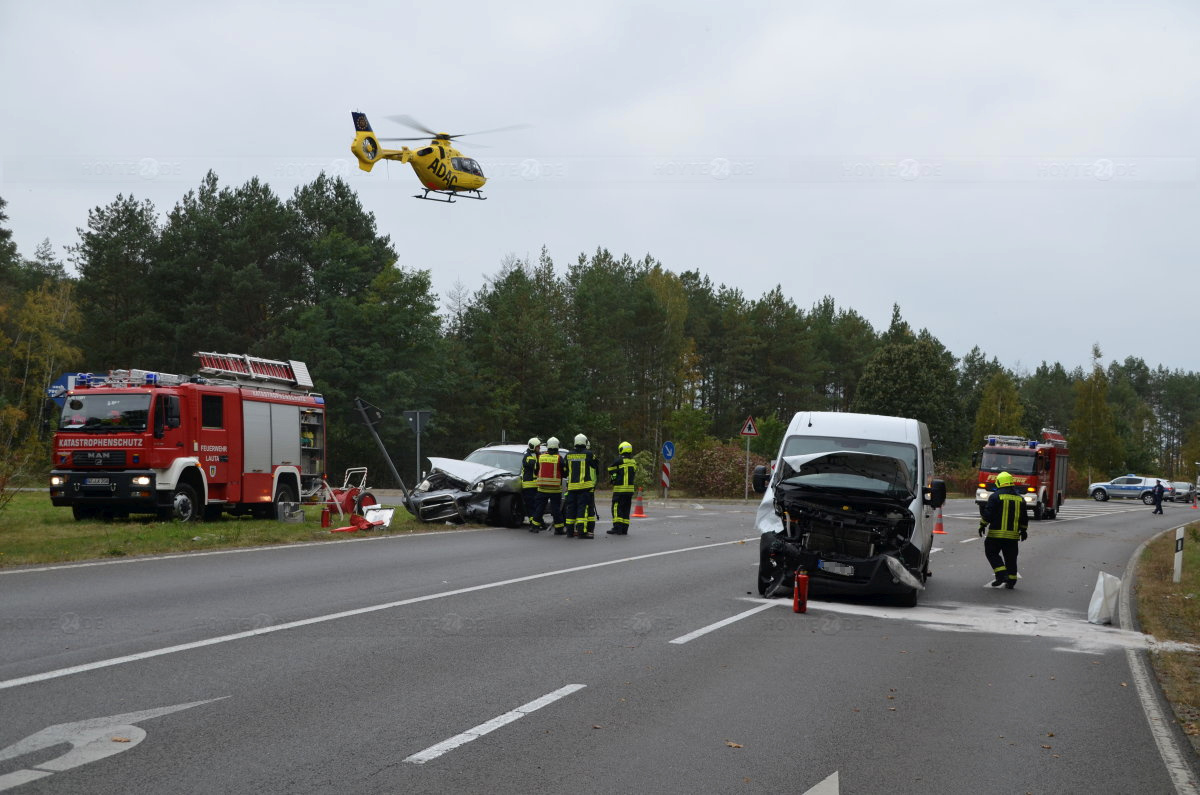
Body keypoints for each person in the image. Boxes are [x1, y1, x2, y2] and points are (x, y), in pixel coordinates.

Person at [977, 471, 1030, 589]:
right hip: (1012, 537)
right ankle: (1011, 580)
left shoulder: (995, 496)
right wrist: (1024, 530)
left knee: (991, 553)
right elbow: (1024, 517)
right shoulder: (1020, 499)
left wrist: (982, 525)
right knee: (1011, 557)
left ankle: (1001, 574)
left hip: (996, 534)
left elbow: (988, 514)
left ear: (1000, 482)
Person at [564, 434, 598, 539]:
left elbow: (565, 471)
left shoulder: (568, 455)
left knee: (571, 509)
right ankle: (581, 532)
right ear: (584, 442)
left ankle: (569, 532)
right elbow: (595, 465)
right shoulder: (589, 454)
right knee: (581, 510)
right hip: (584, 488)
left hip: (572, 488)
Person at [534, 437, 566, 535]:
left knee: (539, 508)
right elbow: (565, 473)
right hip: (555, 489)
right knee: (556, 509)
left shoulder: (541, 457)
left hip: (542, 488)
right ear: (557, 446)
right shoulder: (559, 458)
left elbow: (536, 470)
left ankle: (534, 526)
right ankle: (559, 529)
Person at [606, 441, 638, 535]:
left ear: (621, 449)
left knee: (616, 508)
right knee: (626, 509)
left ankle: (617, 528)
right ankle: (624, 529)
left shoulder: (619, 460)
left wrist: (615, 476)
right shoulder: (633, 461)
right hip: (630, 490)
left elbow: (610, 469)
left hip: (620, 490)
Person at [522, 437, 543, 531]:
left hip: (537, 485)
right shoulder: (527, 457)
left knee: (537, 505)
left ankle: (539, 522)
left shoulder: (538, 455)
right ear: (533, 447)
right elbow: (536, 465)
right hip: (529, 485)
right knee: (531, 506)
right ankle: (533, 523)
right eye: (538, 446)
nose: (540, 448)